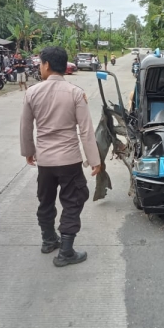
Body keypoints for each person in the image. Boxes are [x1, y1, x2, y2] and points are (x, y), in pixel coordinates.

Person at [20, 46, 101, 267]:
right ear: (64, 66)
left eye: (40, 64)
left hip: (45, 161)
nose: (39, 67)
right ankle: (66, 251)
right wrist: (94, 160)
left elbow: (26, 127)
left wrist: (29, 151)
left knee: (45, 200)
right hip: (69, 160)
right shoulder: (75, 93)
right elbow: (86, 129)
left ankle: (48, 240)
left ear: (46, 65)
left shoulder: (32, 92)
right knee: (73, 201)